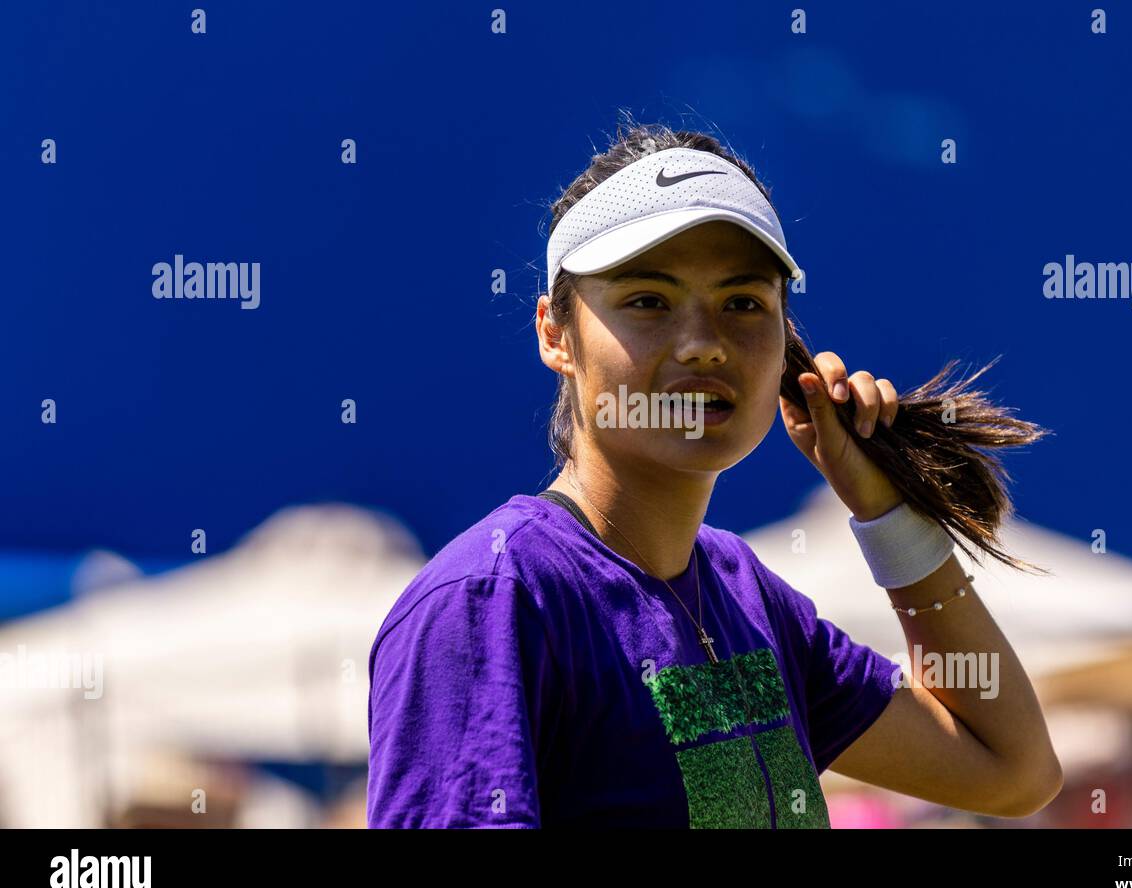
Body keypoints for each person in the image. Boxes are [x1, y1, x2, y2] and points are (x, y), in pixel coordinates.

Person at [366, 118, 1063, 828]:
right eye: (647, 300)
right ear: (555, 333)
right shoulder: (491, 599)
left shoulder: (747, 595)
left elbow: (1012, 769)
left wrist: (888, 513)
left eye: (742, 303)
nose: (703, 345)